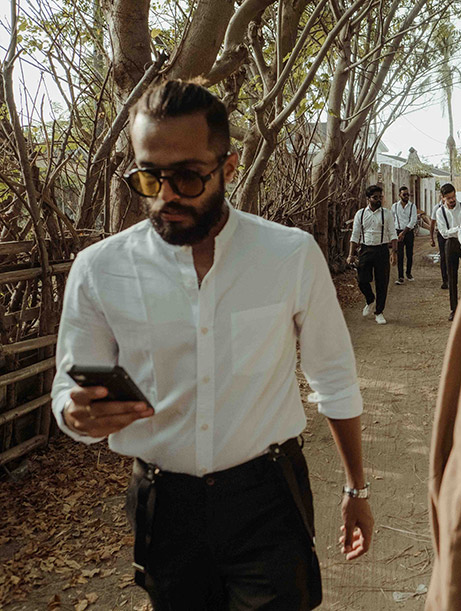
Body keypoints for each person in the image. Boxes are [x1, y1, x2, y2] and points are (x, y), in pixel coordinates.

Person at [50, 79, 374, 610]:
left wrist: (356, 488)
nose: (167, 195)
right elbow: (70, 387)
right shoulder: (99, 270)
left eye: (187, 176)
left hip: (268, 499)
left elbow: (333, 377)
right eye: (149, 177)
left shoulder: (289, 256)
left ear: (230, 167)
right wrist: (75, 413)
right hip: (164, 509)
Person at [347, 185, 398, 325]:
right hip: (365, 249)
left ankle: (379, 312)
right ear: (368, 199)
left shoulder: (386, 214)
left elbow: (393, 234)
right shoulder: (361, 214)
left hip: (381, 250)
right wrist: (351, 255)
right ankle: (370, 299)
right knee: (362, 279)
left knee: (382, 282)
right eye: (375, 197)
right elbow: (355, 235)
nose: (378, 200)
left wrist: (394, 252)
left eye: (380, 197)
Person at [431, 184, 461, 321]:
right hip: (451, 244)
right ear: (442, 198)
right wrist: (460, 228)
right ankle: (454, 309)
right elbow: (444, 233)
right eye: (448, 198)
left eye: (453, 196)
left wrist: (457, 230)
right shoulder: (440, 212)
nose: (452, 200)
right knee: (452, 278)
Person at [392, 185, 418, 284]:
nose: (406, 196)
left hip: (408, 232)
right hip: (398, 232)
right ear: (399, 195)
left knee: (409, 254)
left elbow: (413, 220)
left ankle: (408, 273)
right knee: (400, 254)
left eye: (408, 194)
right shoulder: (394, 206)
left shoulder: (412, 206)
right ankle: (400, 276)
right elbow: (392, 220)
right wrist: (394, 234)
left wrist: (404, 232)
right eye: (404, 194)